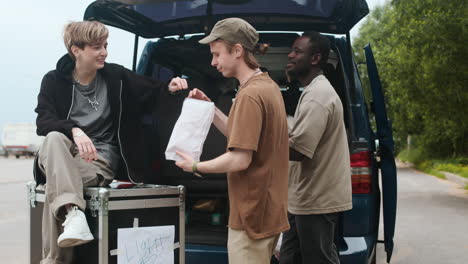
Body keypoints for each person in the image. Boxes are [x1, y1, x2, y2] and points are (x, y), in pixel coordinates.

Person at [33, 20, 187, 264]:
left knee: (58, 185)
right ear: (76, 50)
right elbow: (44, 121)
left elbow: (150, 89)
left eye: (105, 45)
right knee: (53, 137)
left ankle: (56, 253)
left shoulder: (116, 76)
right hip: (60, 154)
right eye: (96, 47)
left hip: (98, 159)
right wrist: (74, 130)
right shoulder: (53, 80)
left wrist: (170, 86)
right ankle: (73, 213)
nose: (104, 52)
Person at [173, 18, 290, 263]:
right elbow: (243, 137)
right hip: (267, 211)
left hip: (251, 215)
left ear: (237, 51)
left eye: (217, 54)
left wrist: (195, 166)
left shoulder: (250, 95)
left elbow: (239, 158)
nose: (213, 62)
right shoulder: (267, 87)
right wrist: (212, 110)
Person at [278, 32, 353, 264]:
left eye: (297, 51)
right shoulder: (312, 91)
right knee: (290, 257)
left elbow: (298, 150)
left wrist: (261, 140)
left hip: (316, 199)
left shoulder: (317, 96)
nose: (290, 55)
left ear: (315, 58)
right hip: (302, 197)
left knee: (318, 259)